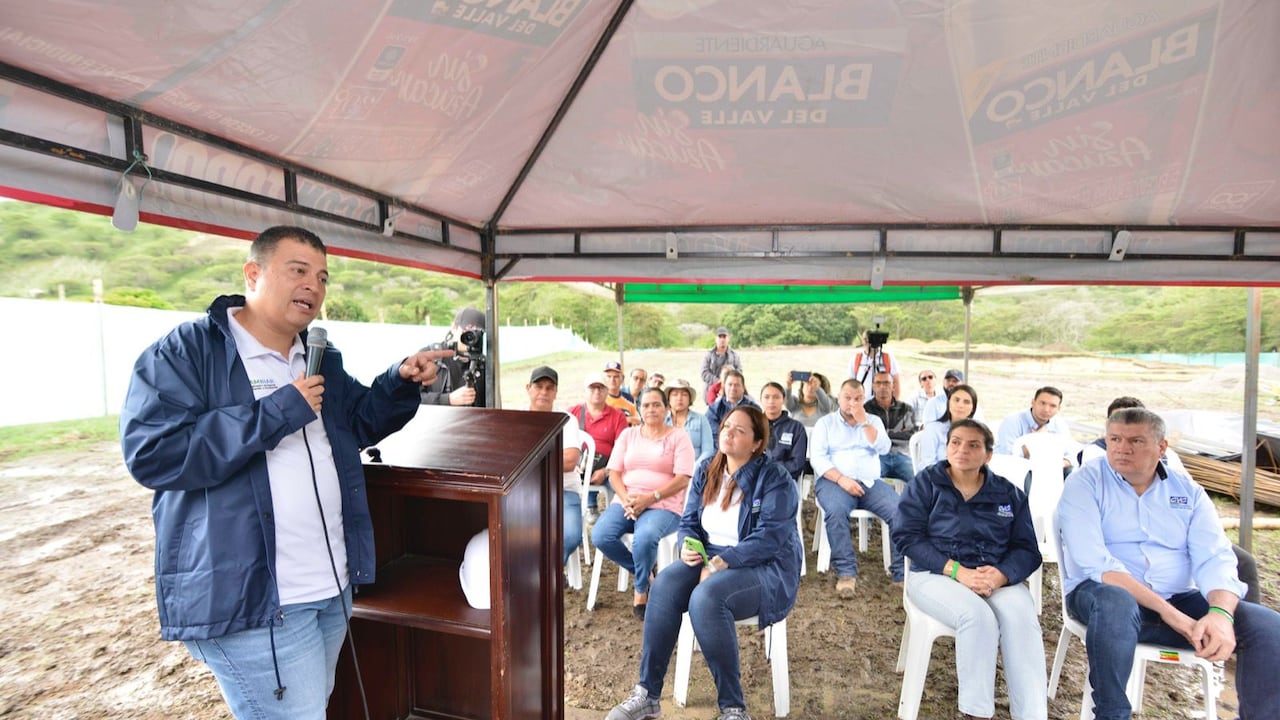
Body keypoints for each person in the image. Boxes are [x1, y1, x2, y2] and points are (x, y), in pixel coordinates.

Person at [119, 226, 452, 718]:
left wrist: (398, 381)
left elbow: (357, 421)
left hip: (331, 587)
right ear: (253, 274)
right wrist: (275, 413)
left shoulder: (318, 357)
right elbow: (154, 453)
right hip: (256, 600)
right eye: (298, 271)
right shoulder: (188, 351)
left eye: (322, 277)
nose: (313, 287)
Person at [1056, 407, 1280, 720]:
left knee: (1267, 626)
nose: (1122, 448)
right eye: (1115, 439)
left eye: (1136, 441)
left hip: (1178, 599)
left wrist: (1219, 614)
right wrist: (1172, 615)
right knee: (1115, 601)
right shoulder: (1085, 484)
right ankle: (1111, 714)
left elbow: (1215, 556)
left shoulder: (1188, 492)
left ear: (1162, 448)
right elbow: (1097, 564)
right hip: (1101, 599)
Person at [604, 406, 801, 720]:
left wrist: (723, 562)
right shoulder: (707, 467)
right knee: (665, 585)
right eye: (726, 427)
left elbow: (771, 538)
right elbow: (689, 520)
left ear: (756, 443)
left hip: (764, 566)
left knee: (707, 598)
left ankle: (733, 708)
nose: (728, 433)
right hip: (709, 554)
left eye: (739, 430)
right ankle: (647, 695)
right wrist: (686, 546)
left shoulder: (774, 478)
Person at [893, 419, 1047, 720]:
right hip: (935, 574)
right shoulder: (926, 484)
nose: (962, 449)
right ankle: (974, 713)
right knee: (977, 617)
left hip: (994, 577)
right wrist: (957, 571)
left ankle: (1031, 714)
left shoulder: (1008, 494)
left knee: (1021, 618)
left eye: (973, 444)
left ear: (988, 455)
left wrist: (1001, 574)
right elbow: (906, 537)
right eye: (956, 442)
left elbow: (1028, 550)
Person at [1078, 396, 1262, 604]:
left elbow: (1186, 491)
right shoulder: (1096, 458)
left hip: (1174, 533)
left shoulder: (1171, 460)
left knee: (1241, 562)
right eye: (1118, 432)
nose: (1125, 443)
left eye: (1136, 436)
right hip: (1126, 548)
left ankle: (1237, 613)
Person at [592, 387, 697, 618]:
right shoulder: (628, 435)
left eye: (657, 404)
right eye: (646, 405)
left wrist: (650, 498)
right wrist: (626, 497)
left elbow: (682, 479)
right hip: (627, 501)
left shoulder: (679, 437)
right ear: (639, 408)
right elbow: (614, 473)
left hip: (663, 503)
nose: (651, 409)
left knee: (645, 538)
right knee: (600, 535)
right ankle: (647, 575)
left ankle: (640, 590)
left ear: (666, 408)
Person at [812, 379, 904, 596]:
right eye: (847, 397)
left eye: (858, 398)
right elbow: (818, 459)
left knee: (900, 510)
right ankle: (846, 573)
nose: (852, 402)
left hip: (870, 482)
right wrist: (842, 479)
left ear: (864, 399)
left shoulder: (873, 421)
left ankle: (901, 573)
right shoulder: (826, 424)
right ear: (838, 398)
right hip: (835, 481)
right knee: (835, 512)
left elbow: (884, 448)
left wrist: (865, 423)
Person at [522, 365, 584, 566]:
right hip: (525, 491)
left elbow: (569, 461)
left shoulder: (566, 420)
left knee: (570, 535)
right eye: (539, 386)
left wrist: (528, 461)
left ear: (556, 392)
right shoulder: (516, 418)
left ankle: (549, 576)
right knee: (514, 536)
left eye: (550, 388)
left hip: (563, 490)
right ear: (528, 388)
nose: (544, 392)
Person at [567, 373, 630, 521]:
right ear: (585, 391)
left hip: (607, 466)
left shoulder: (617, 416)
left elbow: (622, 449)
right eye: (592, 388)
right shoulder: (573, 412)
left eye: (601, 388)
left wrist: (606, 471)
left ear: (607, 391)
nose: (597, 392)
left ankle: (618, 518)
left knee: (621, 484)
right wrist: (571, 466)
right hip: (576, 465)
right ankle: (579, 513)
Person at [995, 386, 1076, 473]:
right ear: (1033, 402)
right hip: (1018, 471)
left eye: (1053, 406)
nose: (1046, 409)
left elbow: (1072, 454)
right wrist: (1035, 442)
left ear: (1058, 409)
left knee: (1070, 471)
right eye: (1042, 403)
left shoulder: (1059, 424)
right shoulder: (1012, 421)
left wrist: (1057, 464)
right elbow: (1006, 456)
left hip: (1048, 470)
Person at [420, 306, 484, 407]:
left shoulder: (483, 364)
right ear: (454, 328)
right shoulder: (430, 356)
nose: (472, 338)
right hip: (439, 422)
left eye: (477, 334)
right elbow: (407, 398)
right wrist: (447, 399)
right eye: (467, 331)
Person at [864, 371, 915, 484]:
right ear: (873, 386)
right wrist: (896, 433)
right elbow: (865, 437)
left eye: (886, 383)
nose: (882, 386)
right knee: (870, 482)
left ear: (893, 386)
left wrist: (880, 434)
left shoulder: (906, 409)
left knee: (918, 482)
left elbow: (909, 436)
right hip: (876, 456)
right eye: (878, 383)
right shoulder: (865, 410)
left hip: (901, 454)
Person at [916, 384, 980, 467]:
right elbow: (928, 463)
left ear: (973, 409)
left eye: (966, 402)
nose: (960, 405)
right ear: (948, 403)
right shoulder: (933, 429)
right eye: (956, 400)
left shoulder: (977, 433)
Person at [759, 382, 808, 481]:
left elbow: (797, 463)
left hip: (783, 479)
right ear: (760, 400)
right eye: (766, 397)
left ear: (784, 399)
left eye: (776, 397)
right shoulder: (753, 424)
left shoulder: (796, 428)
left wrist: (772, 470)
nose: (771, 401)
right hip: (756, 476)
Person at [666, 378, 715, 465]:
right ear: (668, 399)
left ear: (690, 399)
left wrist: (694, 469)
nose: (679, 398)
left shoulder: (701, 419)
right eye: (675, 394)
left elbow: (708, 451)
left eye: (684, 395)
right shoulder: (662, 420)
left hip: (695, 471)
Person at [706, 369, 760, 447]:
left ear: (743, 388)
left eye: (737, 385)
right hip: (719, 449)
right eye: (730, 384)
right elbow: (713, 433)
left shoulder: (754, 409)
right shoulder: (714, 409)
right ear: (724, 387)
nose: (733, 388)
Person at [848, 331, 900, 399]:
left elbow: (896, 384)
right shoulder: (856, 359)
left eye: (868, 339)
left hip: (883, 404)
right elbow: (851, 384)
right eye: (865, 339)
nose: (868, 342)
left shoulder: (888, 359)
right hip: (862, 403)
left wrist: (893, 406)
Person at [700, 326, 742, 406]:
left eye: (724, 336)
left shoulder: (735, 356)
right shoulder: (708, 355)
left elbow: (739, 372)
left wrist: (729, 382)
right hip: (712, 393)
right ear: (716, 339)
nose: (722, 339)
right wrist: (719, 382)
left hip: (731, 393)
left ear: (728, 338)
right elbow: (704, 373)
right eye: (720, 337)